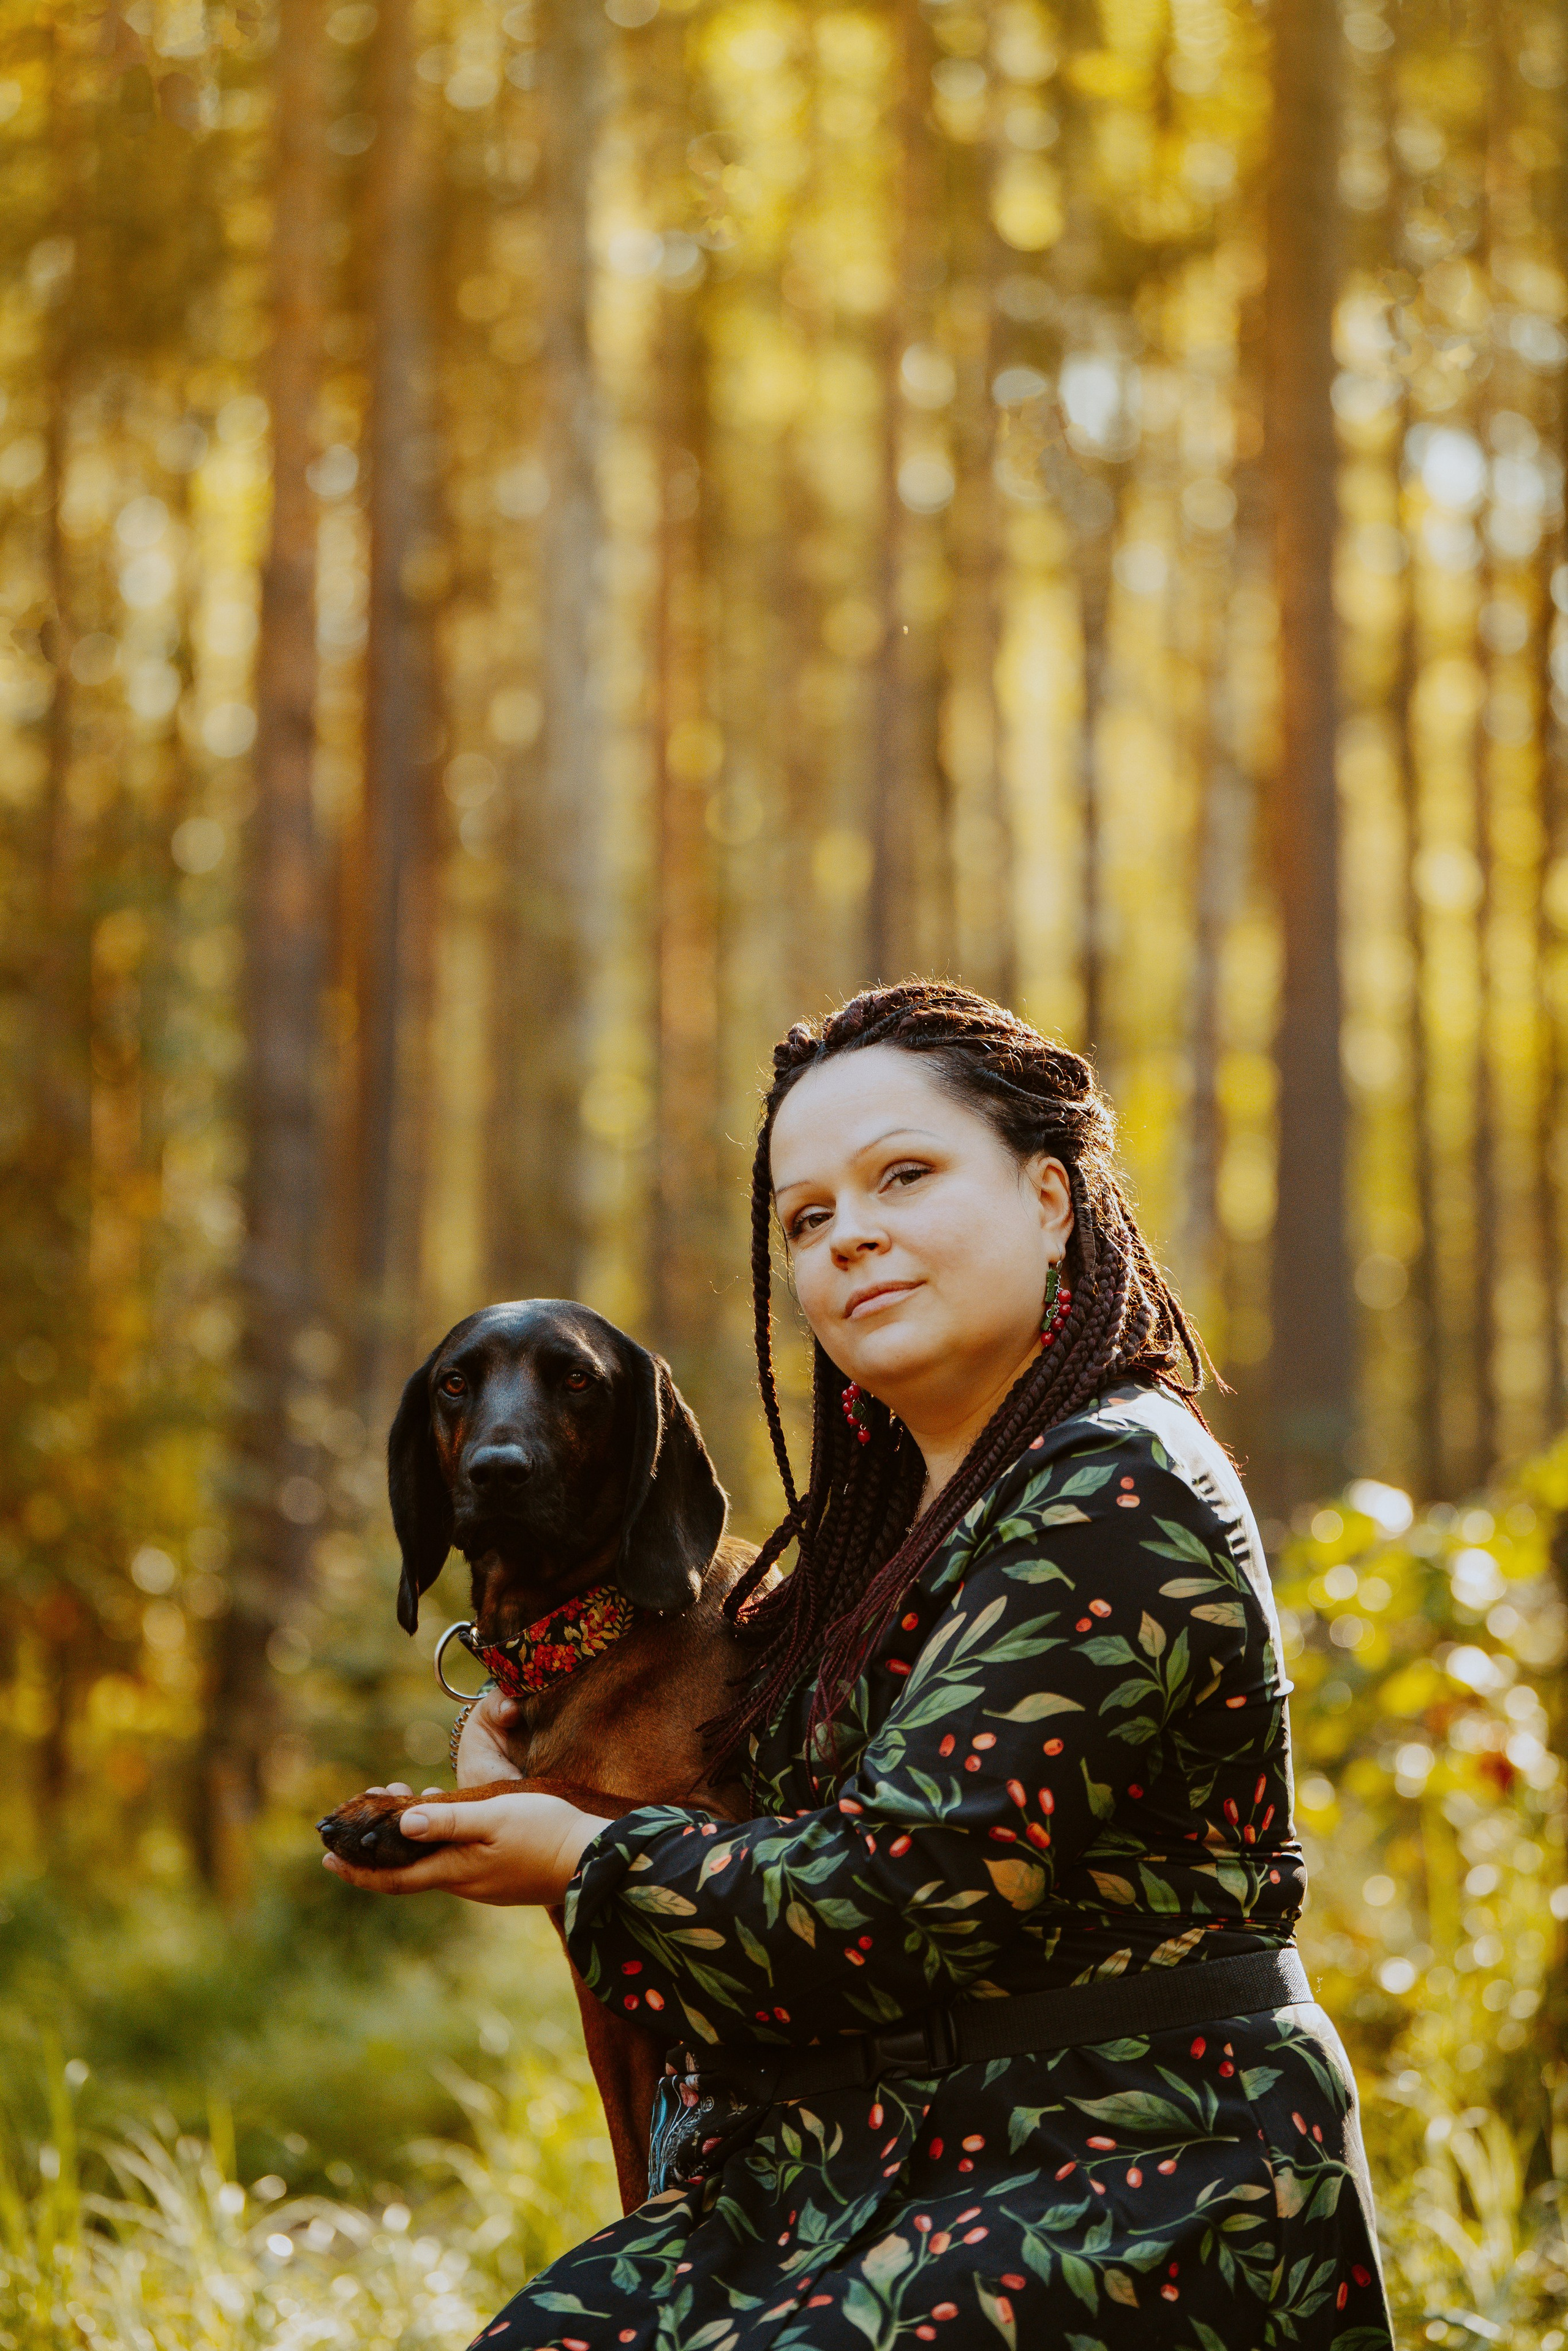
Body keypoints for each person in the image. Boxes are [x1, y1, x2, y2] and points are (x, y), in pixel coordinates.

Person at [325, 982, 1392, 2349]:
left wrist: (571, 1854)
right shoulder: (891, 1532)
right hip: (881, 2167)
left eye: (904, 1172)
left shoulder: (1114, 1484)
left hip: (1136, 2185)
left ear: (1051, 1196)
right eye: (806, 1216)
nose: (851, 1234)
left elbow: (897, 1893)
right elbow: (730, 1799)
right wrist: (527, 1740)